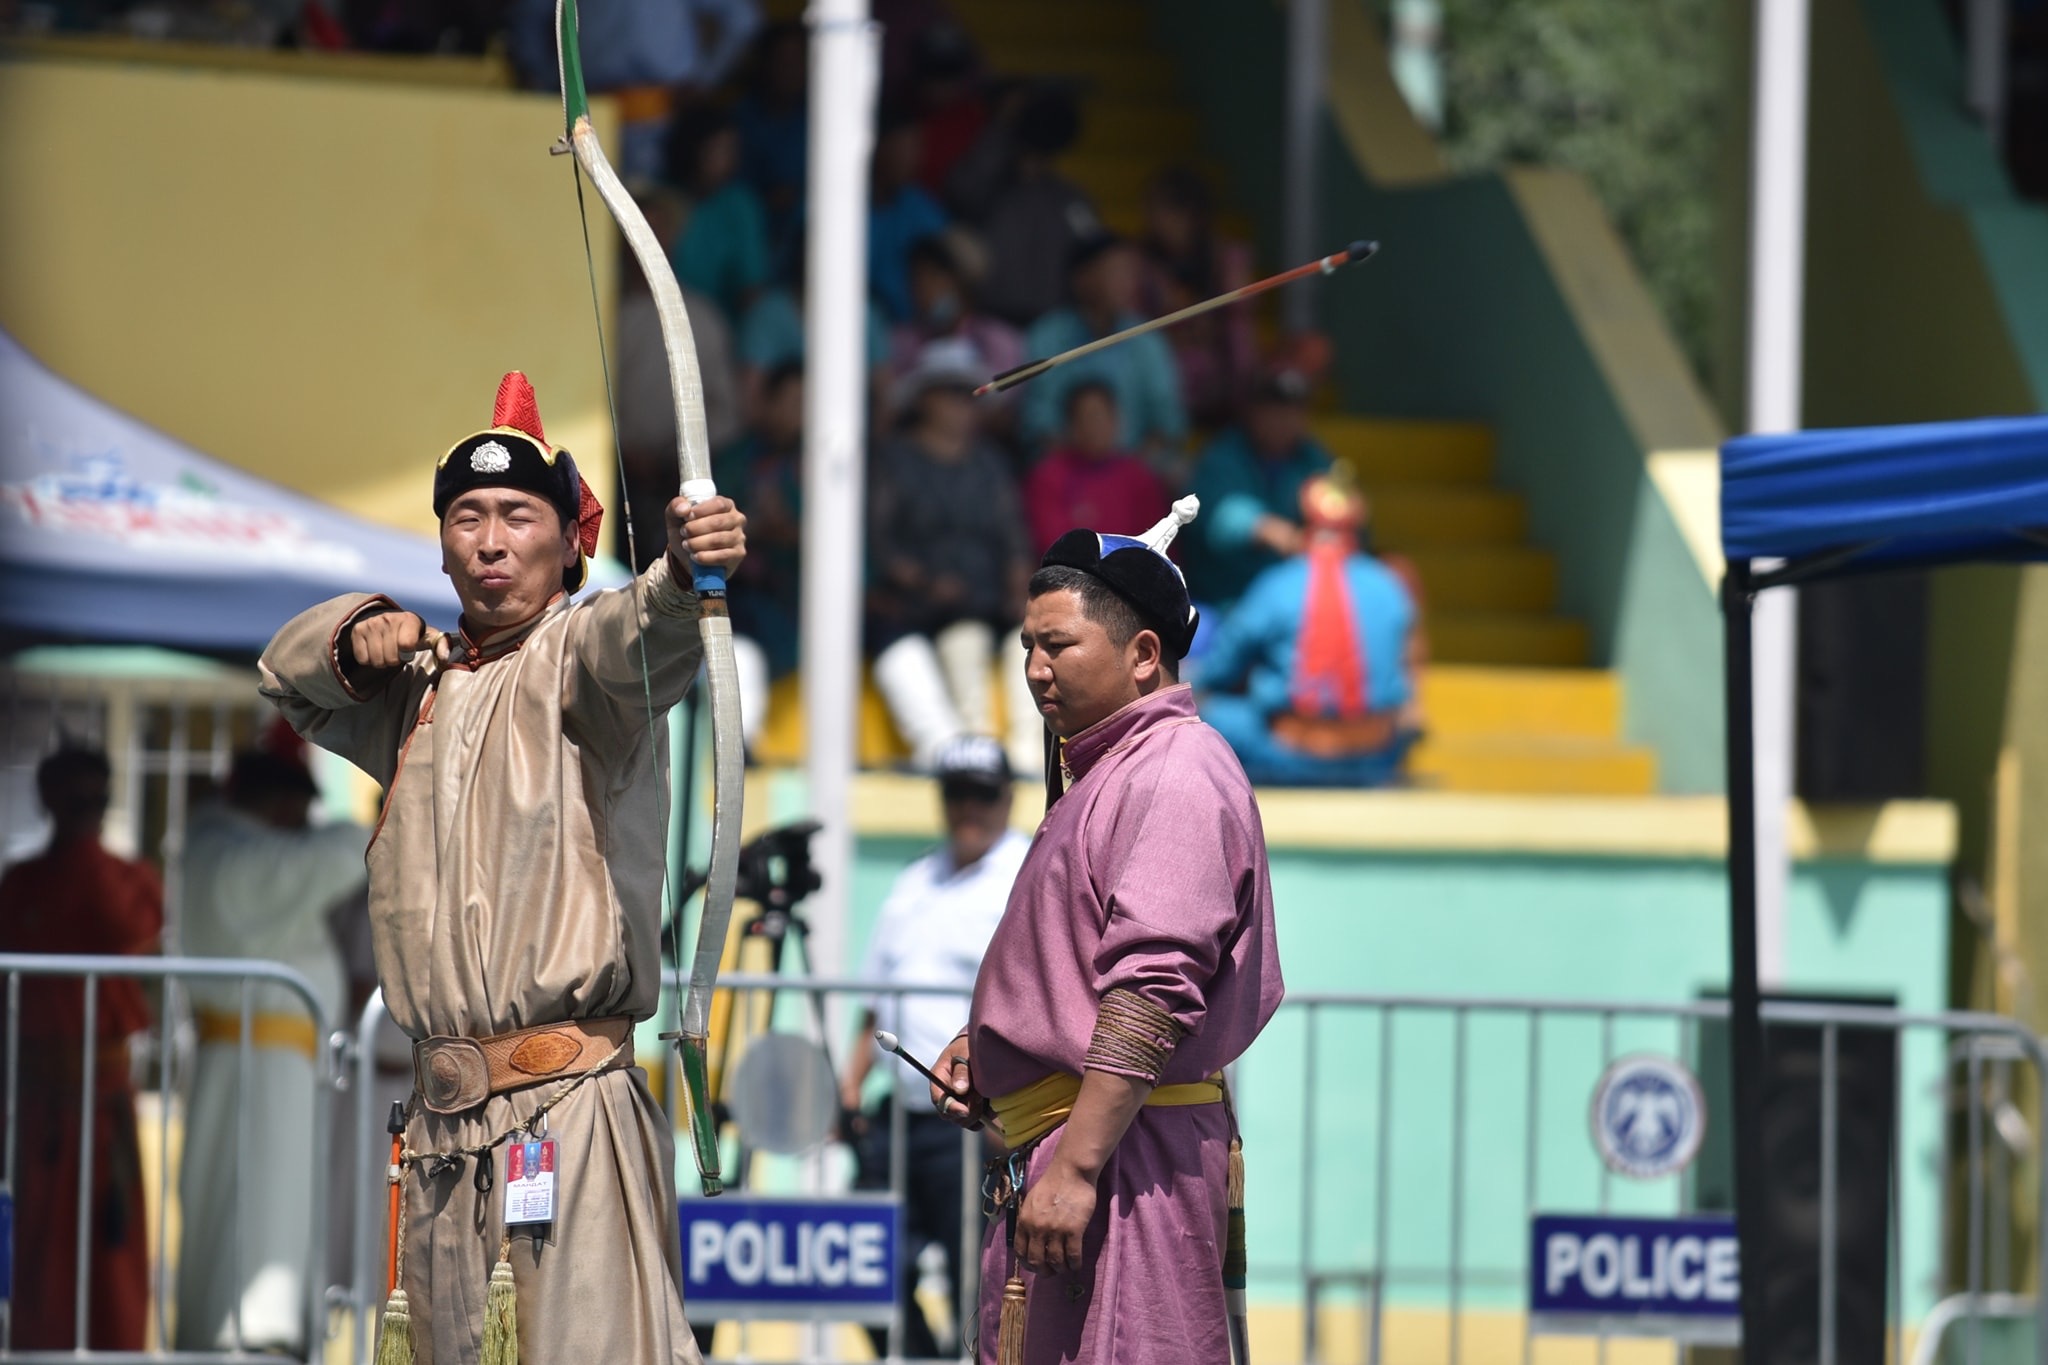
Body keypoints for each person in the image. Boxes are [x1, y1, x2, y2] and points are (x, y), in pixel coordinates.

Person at [258, 371, 746, 1364]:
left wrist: (677, 571)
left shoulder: (581, 659)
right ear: (440, 544)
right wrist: (359, 628)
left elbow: (642, 638)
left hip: (563, 1113)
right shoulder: (414, 687)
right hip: (442, 1134)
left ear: (569, 539)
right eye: (466, 516)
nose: (488, 540)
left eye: (518, 516)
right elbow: (286, 673)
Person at [931, 501, 1283, 1364]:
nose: (1035, 669)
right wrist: (990, 1050)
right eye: (1027, 648)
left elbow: (1151, 992)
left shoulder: (1175, 770)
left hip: (1126, 1163)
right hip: (1081, 1148)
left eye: (1058, 645)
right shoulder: (1112, 768)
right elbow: (1075, 976)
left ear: (1143, 655)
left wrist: (1079, 1167)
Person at [176, 732, 370, 1353]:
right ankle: (253, 1332)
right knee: (253, 1215)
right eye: (290, 801)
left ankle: (262, 1328)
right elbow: (337, 854)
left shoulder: (229, 845)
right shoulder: (226, 849)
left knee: (266, 1207)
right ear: (264, 796)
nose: (297, 818)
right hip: (255, 1069)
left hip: (272, 1066)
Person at [841, 734, 1027, 1359]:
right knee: (862, 1260)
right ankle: (924, 1355)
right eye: (956, 794)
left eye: (982, 794)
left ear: (1007, 798)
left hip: (973, 1119)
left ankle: (955, 1355)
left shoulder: (1026, 875)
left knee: (974, 1271)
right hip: (897, 1114)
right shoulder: (917, 876)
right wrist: (850, 1085)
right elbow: (876, 999)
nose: (968, 808)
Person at [0, 744, 161, 1351]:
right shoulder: (21, 885)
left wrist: (86, 851)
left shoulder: (131, 879)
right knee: (39, 1260)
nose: (85, 812)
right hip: (38, 1102)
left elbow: (125, 931)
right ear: (48, 800)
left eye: (95, 800)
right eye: (74, 800)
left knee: (109, 1259)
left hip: (104, 1102)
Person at [866, 339, 1036, 773]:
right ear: (924, 398)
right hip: (914, 604)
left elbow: (1014, 539)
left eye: (969, 395)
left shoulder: (991, 464)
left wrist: (1021, 593)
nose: (964, 405)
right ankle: (969, 756)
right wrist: (923, 582)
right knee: (965, 641)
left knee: (1032, 639)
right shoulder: (893, 460)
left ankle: (1028, 760)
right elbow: (878, 541)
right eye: (951, 393)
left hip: (987, 601)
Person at [1198, 474, 1422, 787]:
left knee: (1204, 712)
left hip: (1288, 753)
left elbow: (1221, 668)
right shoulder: (1390, 585)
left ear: (1300, 525)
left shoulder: (1277, 584)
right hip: (1374, 754)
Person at [1020, 233, 1187, 461]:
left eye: (1131, 273)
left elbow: (1168, 422)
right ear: (1082, 278)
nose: (1127, 282)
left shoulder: (1148, 342)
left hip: (1134, 468)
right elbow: (1039, 423)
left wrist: (1124, 475)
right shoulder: (1047, 336)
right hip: (1068, 471)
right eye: (1115, 271)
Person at [1182, 367, 1334, 611]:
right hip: (1224, 601)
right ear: (1253, 412)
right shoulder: (1223, 453)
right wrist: (1263, 527)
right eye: (1274, 411)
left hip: (1295, 604)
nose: (1283, 420)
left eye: (1293, 411)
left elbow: (1344, 524)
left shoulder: (1315, 461)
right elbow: (1211, 512)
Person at [949, 85, 1101, 327]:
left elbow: (1094, 248)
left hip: (1054, 326)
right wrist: (1003, 125)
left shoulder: (1069, 198)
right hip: (992, 320)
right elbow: (961, 191)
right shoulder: (985, 191)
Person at [718, 361, 806, 747]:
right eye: (793, 401)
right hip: (739, 597)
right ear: (766, 403)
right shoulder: (734, 460)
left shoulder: (827, 468)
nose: (801, 413)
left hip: (795, 596)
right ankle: (742, 742)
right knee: (742, 636)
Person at [885, 234, 1024, 427]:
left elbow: (1002, 412)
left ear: (963, 284)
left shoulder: (1000, 340)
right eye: (917, 278)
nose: (925, 288)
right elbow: (893, 406)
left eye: (936, 277)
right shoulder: (902, 340)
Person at [1022, 382, 1171, 559]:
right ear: (1071, 425)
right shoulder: (1049, 475)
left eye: (1102, 417)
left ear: (1117, 420)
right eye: (1087, 418)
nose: (1095, 427)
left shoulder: (1138, 475)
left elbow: (1159, 542)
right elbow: (1054, 545)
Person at [665, 103, 772, 318]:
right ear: (694, 150)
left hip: (720, 325)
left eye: (733, 150)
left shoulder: (740, 205)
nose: (729, 160)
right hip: (665, 316)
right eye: (720, 149)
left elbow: (751, 286)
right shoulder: (664, 199)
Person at [869, 105, 953, 323]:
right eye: (903, 148)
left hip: (915, 335)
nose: (913, 158)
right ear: (876, 146)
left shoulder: (919, 206)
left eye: (916, 148)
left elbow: (948, 272)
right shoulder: (836, 206)